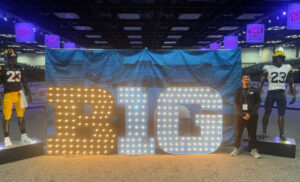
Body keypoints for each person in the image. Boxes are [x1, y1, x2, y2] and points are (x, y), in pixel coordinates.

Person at [258, 51, 296, 140]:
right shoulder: (267, 67)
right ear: (274, 59)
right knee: (267, 113)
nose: (280, 59)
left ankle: (281, 134)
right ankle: (264, 131)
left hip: (281, 93)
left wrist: (293, 95)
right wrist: (257, 94)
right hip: (271, 93)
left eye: (282, 58)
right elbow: (261, 82)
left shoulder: (287, 67)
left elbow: (291, 82)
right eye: (278, 57)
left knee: (281, 115)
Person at [1, 48, 33, 147]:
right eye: (12, 57)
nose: (14, 59)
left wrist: (29, 94)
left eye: (15, 57)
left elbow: (24, 82)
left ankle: (24, 135)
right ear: (7, 58)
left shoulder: (19, 67)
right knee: (6, 117)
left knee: (21, 116)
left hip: (19, 94)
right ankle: (6, 138)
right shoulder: (2, 68)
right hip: (8, 94)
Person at [230, 74, 261, 159]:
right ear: (241, 81)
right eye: (244, 78)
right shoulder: (238, 91)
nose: (246, 79)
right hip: (240, 116)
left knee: (252, 134)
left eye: (247, 78)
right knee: (238, 133)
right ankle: (237, 148)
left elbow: (258, 103)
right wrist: (243, 114)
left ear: (250, 80)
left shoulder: (255, 90)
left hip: (252, 116)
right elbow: (235, 104)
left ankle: (253, 150)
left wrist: (250, 114)